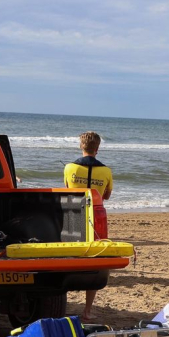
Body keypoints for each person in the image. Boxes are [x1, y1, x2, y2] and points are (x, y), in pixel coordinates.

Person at [63, 132, 114, 319]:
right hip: (95, 215)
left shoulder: (69, 168)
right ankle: (87, 310)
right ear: (98, 148)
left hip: (73, 212)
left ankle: (63, 304)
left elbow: (67, 189)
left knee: (67, 261)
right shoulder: (106, 171)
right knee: (94, 262)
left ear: (80, 146)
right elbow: (106, 195)